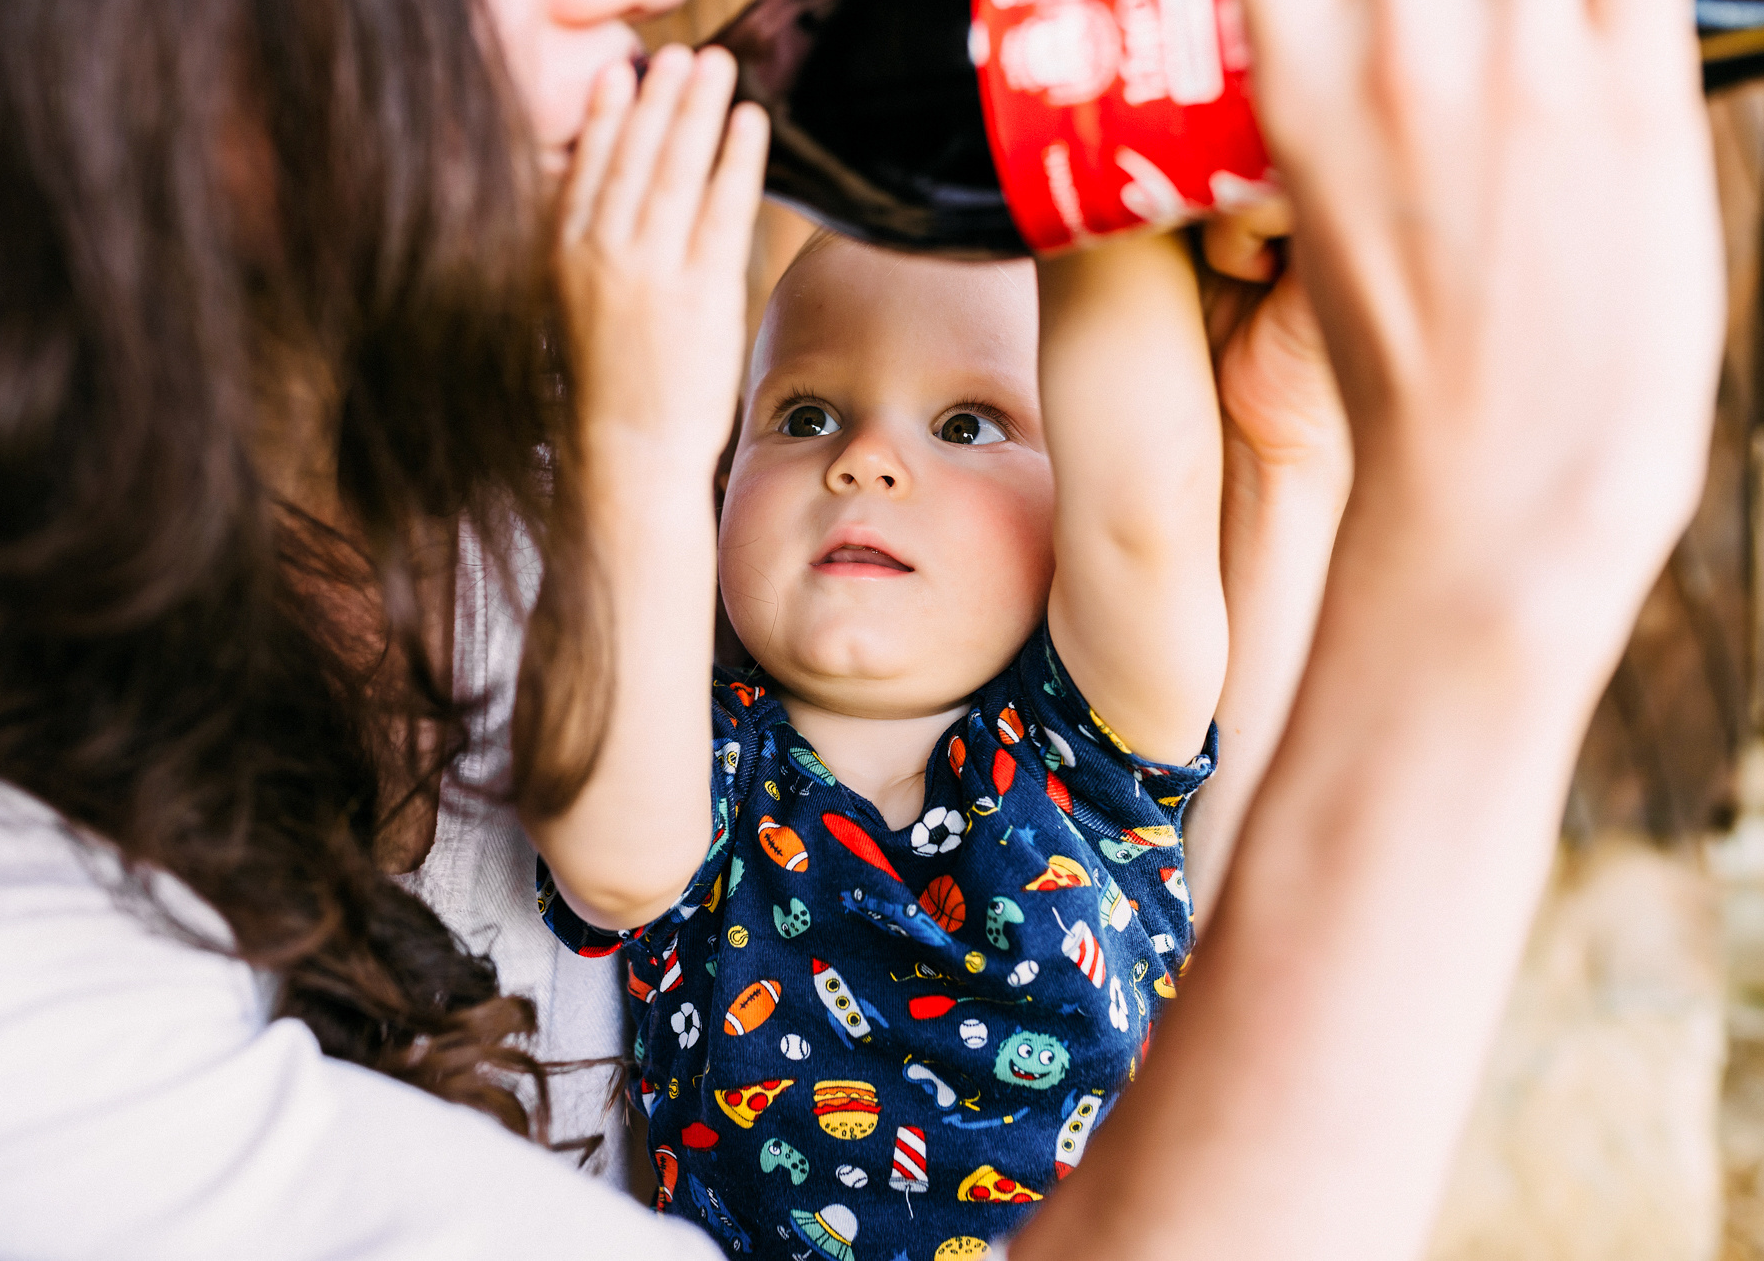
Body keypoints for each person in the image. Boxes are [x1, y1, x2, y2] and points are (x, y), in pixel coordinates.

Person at [0, 0, 1722, 1259]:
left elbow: (1179, 691)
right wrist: (1502, 570)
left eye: (968, 427)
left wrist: (1208, 325)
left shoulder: (558, 457)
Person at [530, 82, 1346, 1252]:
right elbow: (611, 868)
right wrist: (639, 449)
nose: (863, 460)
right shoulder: (704, 760)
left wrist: (1068, 112)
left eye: (967, 426)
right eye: (803, 415)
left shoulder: (1089, 757)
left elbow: (1145, 505)